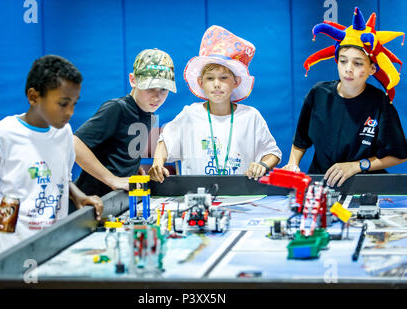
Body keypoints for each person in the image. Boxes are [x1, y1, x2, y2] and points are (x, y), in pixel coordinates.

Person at [0, 55, 103, 259]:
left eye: (74, 103)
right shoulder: (3, 133)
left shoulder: (63, 133)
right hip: (11, 249)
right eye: (63, 103)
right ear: (34, 97)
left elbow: (62, 177)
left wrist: (78, 196)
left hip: (52, 246)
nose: (71, 112)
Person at [283, 7, 407, 187]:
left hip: (364, 186)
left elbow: (398, 155)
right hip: (321, 184)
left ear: (372, 69)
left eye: (357, 63)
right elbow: (300, 142)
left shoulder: (380, 102)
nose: (348, 68)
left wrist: (357, 166)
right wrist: (292, 164)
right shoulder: (318, 94)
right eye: (343, 61)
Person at [149, 25, 281, 182]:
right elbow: (165, 140)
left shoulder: (251, 116)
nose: (216, 84)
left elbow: (273, 152)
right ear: (201, 82)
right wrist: (157, 163)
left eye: (224, 78)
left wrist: (263, 165)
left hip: (242, 197)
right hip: (197, 196)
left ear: (236, 82)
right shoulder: (190, 114)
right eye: (210, 78)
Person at [73, 49, 177, 198]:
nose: (157, 96)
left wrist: (133, 168)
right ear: (133, 80)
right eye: (150, 87)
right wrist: (112, 179)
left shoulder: (148, 114)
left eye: (163, 89)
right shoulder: (117, 108)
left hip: (117, 202)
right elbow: (74, 143)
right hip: (91, 202)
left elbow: (118, 149)